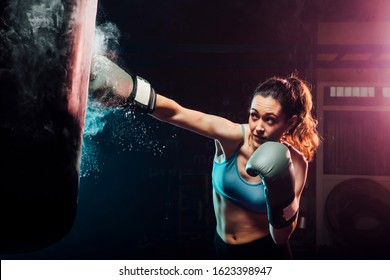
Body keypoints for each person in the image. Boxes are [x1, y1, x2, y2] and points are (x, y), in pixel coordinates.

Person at [89, 54, 320, 259]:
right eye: (254, 115)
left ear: (289, 123)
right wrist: (130, 90)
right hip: (222, 250)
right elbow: (177, 113)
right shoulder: (231, 137)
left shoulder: (297, 162)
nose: (258, 127)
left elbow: (282, 237)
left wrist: (280, 187)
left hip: (268, 254)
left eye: (269, 120)